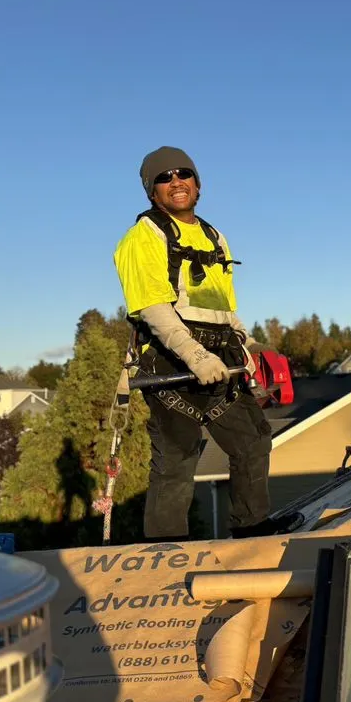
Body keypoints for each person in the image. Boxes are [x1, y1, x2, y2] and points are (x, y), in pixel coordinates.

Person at [114, 146, 299, 541]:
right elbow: (153, 308)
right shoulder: (143, 237)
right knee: (177, 459)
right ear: (152, 191)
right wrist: (195, 355)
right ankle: (166, 551)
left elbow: (224, 307)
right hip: (170, 358)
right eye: (164, 178)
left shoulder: (214, 237)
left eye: (184, 174)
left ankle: (251, 529)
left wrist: (245, 344)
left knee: (252, 440)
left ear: (198, 184)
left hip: (221, 353)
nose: (176, 182)